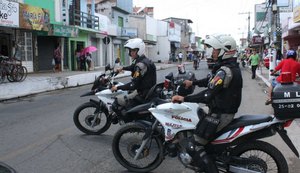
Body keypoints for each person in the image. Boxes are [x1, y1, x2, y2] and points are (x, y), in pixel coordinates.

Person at [172, 34, 243, 173]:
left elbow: (207, 95)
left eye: (216, 49)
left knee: (194, 145)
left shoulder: (225, 71)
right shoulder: (227, 67)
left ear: (225, 51)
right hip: (221, 111)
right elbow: (210, 81)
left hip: (220, 115)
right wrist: (193, 82)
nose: (213, 52)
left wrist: (183, 98)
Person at [110, 38, 157, 117]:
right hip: (148, 91)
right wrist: (122, 68)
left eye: (132, 51)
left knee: (119, 103)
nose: (130, 53)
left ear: (139, 50)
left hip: (143, 94)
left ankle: (129, 126)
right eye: (130, 51)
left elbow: (133, 85)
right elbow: (133, 67)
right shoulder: (143, 60)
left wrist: (117, 87)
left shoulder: (140, 65)